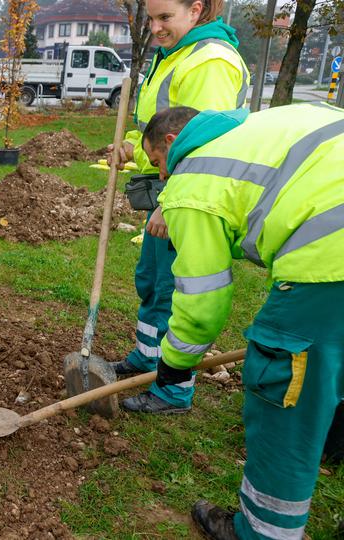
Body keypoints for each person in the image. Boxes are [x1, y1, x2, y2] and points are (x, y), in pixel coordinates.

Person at [140, 104, 344, 540]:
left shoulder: (193, 180)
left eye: (157, 163)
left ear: (173, 145)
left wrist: (174, 363)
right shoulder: (249, 129)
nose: (160, 178)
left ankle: (262, 531)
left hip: (332, 254)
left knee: (283, 384)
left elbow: (202, 298)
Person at [106, 0, 250, 414]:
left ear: (197, 9)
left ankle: (173, 387)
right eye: (151, 18)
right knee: (152, 280)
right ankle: (148, 357)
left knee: (177, 287)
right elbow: (165, 130)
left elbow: (201, 146)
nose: (155, 28)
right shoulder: (176, 54)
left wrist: (170, 206)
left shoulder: (210, 61)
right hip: (169, 184)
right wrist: (136, 148)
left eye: (165, 17)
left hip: (190, 193)